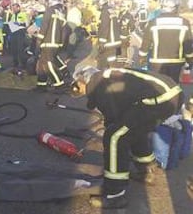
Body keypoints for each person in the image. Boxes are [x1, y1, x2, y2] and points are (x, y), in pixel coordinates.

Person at [71, 66, 183, 209]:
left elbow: (113, 117)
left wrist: (113, 130)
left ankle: (115, 194)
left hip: (160, 100)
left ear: (82, 81)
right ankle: (146, 170)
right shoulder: (106, 76)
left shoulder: (99, 84)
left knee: (114, 137)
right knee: (132, 128)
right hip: (171, 93)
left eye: (78, 86)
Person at [139, 0, 193, 83]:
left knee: (158, 86)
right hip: (176, 62)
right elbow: (187, 45)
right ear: (176, 7)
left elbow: (146, 42)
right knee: (173, 86)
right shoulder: (184, 23)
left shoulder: (153, 22)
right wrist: (190, 60)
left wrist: (142, 57)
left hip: (156, 62)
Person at [34, 0, 72, 92]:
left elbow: (44, 27)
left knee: (48, 64)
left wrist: (38, 41)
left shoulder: (49, 10)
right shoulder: (61, 12)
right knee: (41, 64)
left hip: (47, 43)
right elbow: (65, 30)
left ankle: (59, 84)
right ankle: (41, 85)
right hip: (55, 43)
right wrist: (60, 43)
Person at [92, 0, 122, 69]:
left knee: (102, 65)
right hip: (115, 41)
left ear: (100, 2)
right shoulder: (111, 10)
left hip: (108, 43)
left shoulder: (104, 12)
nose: (96, 6)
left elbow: (104, 27)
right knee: (112, 63)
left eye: (96, 4)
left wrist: (101, 42)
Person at [7, 3, 29, 75]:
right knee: (14, 49)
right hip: (14, 33)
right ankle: (15, 64)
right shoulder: (13, 15)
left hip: (20, 32)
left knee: (20, 49)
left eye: (15, 8)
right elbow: (11, 23)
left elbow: (27, 24)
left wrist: (18, 23)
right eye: (13, 8)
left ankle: (23, 65)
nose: (14, 10)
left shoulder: (23, 14)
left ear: (19, 8)